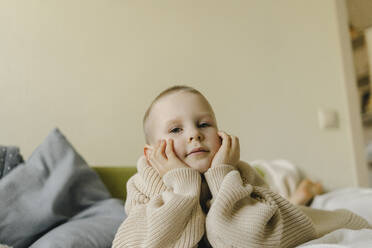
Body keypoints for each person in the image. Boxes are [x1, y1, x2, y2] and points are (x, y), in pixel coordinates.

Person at [112, 85, 370, 248]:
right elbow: (146, 243)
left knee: (299, 210)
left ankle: (301, 197)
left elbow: (253, 240)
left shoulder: (238, 172)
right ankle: (300, 194)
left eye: (204, 124)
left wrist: (223, 174)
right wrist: (181, 186)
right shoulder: (143, 185)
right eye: (176, 129)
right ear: (152, 153)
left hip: (257, 200)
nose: (194, 134)